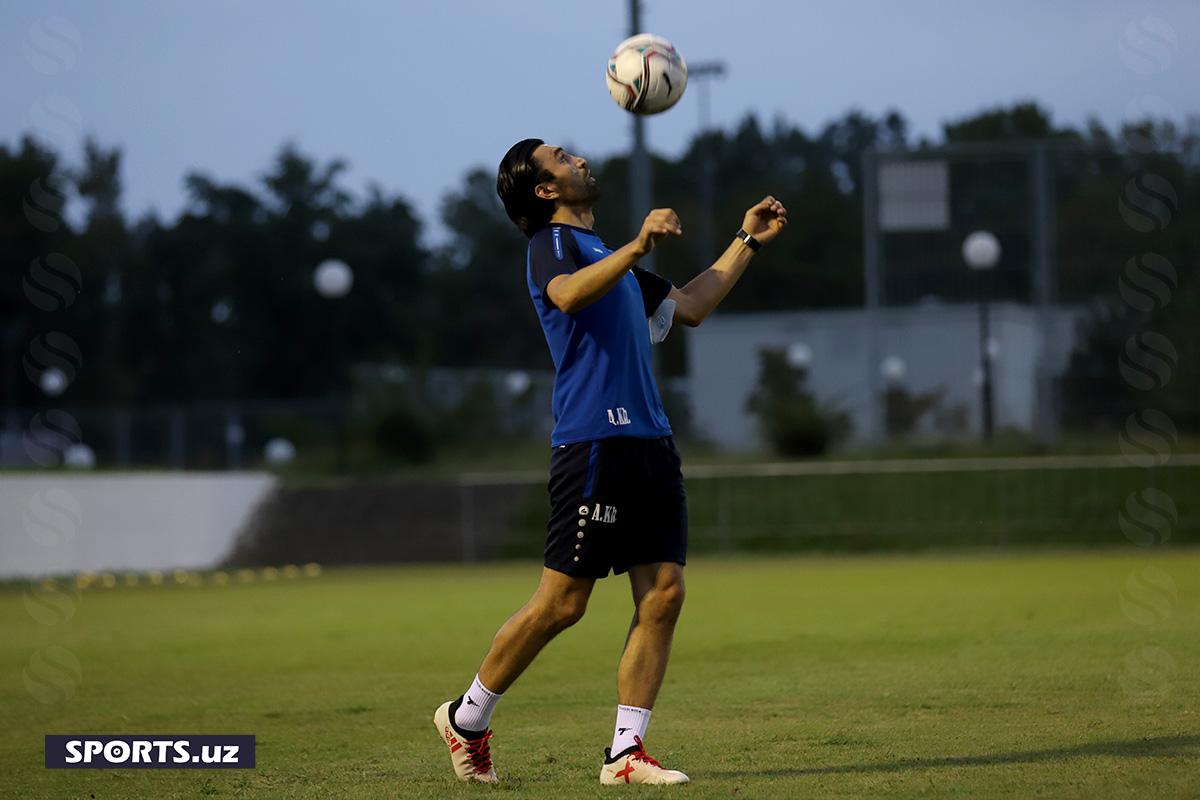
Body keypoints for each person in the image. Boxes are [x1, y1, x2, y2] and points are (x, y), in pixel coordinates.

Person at [433, 138, 787, 786]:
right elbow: (567, 296)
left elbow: (695, 306)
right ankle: (467, 717)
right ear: (544, 190)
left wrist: (748, 239)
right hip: (594, 443)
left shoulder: (618, 263)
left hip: (651, 440)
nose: (576, 159)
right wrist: (638, 247)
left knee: (665, 595)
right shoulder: (553, 245)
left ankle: (625, 754)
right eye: (560, 158)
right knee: (563, 604)